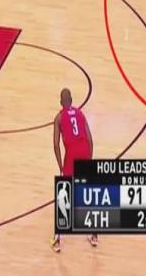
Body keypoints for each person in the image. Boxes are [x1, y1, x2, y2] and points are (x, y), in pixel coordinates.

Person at [51, 88, 97, 252]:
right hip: (84, 148)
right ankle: (94, 234)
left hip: (72, 152)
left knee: (64, 193)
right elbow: (90, 139)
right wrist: (89, 159)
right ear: (71, 100)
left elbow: (56, 144)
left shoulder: (59, 117)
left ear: (60, 102)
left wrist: (61, 166)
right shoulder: (80, 113)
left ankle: (58, 239)